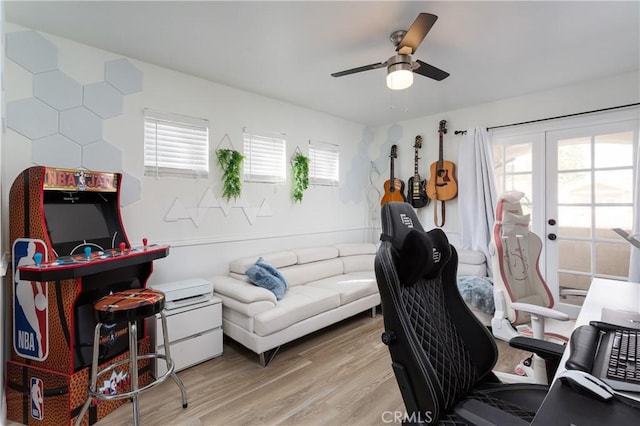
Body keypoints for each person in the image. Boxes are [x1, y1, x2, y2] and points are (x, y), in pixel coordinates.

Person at [15, 241, 46, 359]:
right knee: (32, 318)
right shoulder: (24, 260)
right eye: (30, 249)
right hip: (23, 291)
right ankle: (39, 341)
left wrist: (40, 293)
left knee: (33, 319)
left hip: (26, 290)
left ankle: (39, 341)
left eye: (32, 250)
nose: (31, 251)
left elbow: (37, 280)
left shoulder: (31, 261)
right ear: (28, 250)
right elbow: (17, 278)